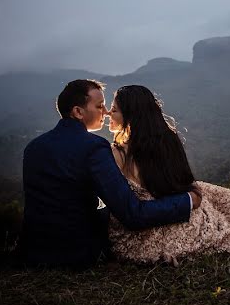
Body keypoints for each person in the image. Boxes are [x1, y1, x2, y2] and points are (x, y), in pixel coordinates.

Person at [21, 79, 201, 268]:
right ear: (78, 112)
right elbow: (133, 214)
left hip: (32, 252)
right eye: (99, 106)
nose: (105, 112)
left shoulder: (33, 147)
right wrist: (187, 200)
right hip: (76, 255)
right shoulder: (94, 147)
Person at [107, 84, 230, 264]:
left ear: (130, 116)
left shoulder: (117, 154)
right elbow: (184, 181)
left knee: (229, 210)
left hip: (148, 220)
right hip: (173, 209)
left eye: (114, 110)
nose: (108, 113)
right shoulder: (167, 141)